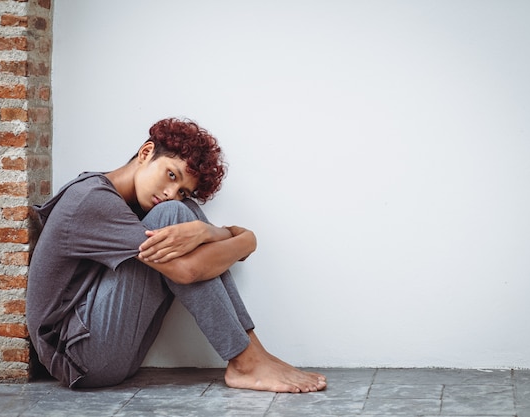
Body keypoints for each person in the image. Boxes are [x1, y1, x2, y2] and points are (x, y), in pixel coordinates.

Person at [27, 118, 327, 393]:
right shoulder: (91, 200)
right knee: (172, 215)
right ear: (146, 153)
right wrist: (245, 241)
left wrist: (208, 232)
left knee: (183, 215)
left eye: (182, 189)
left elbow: (199, 255)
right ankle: (246, 361)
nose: (172, 191)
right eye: (171, 175)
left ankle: (252, 354)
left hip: (115, 352)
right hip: (81, 357)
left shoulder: (139, 204)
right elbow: (188, 272)